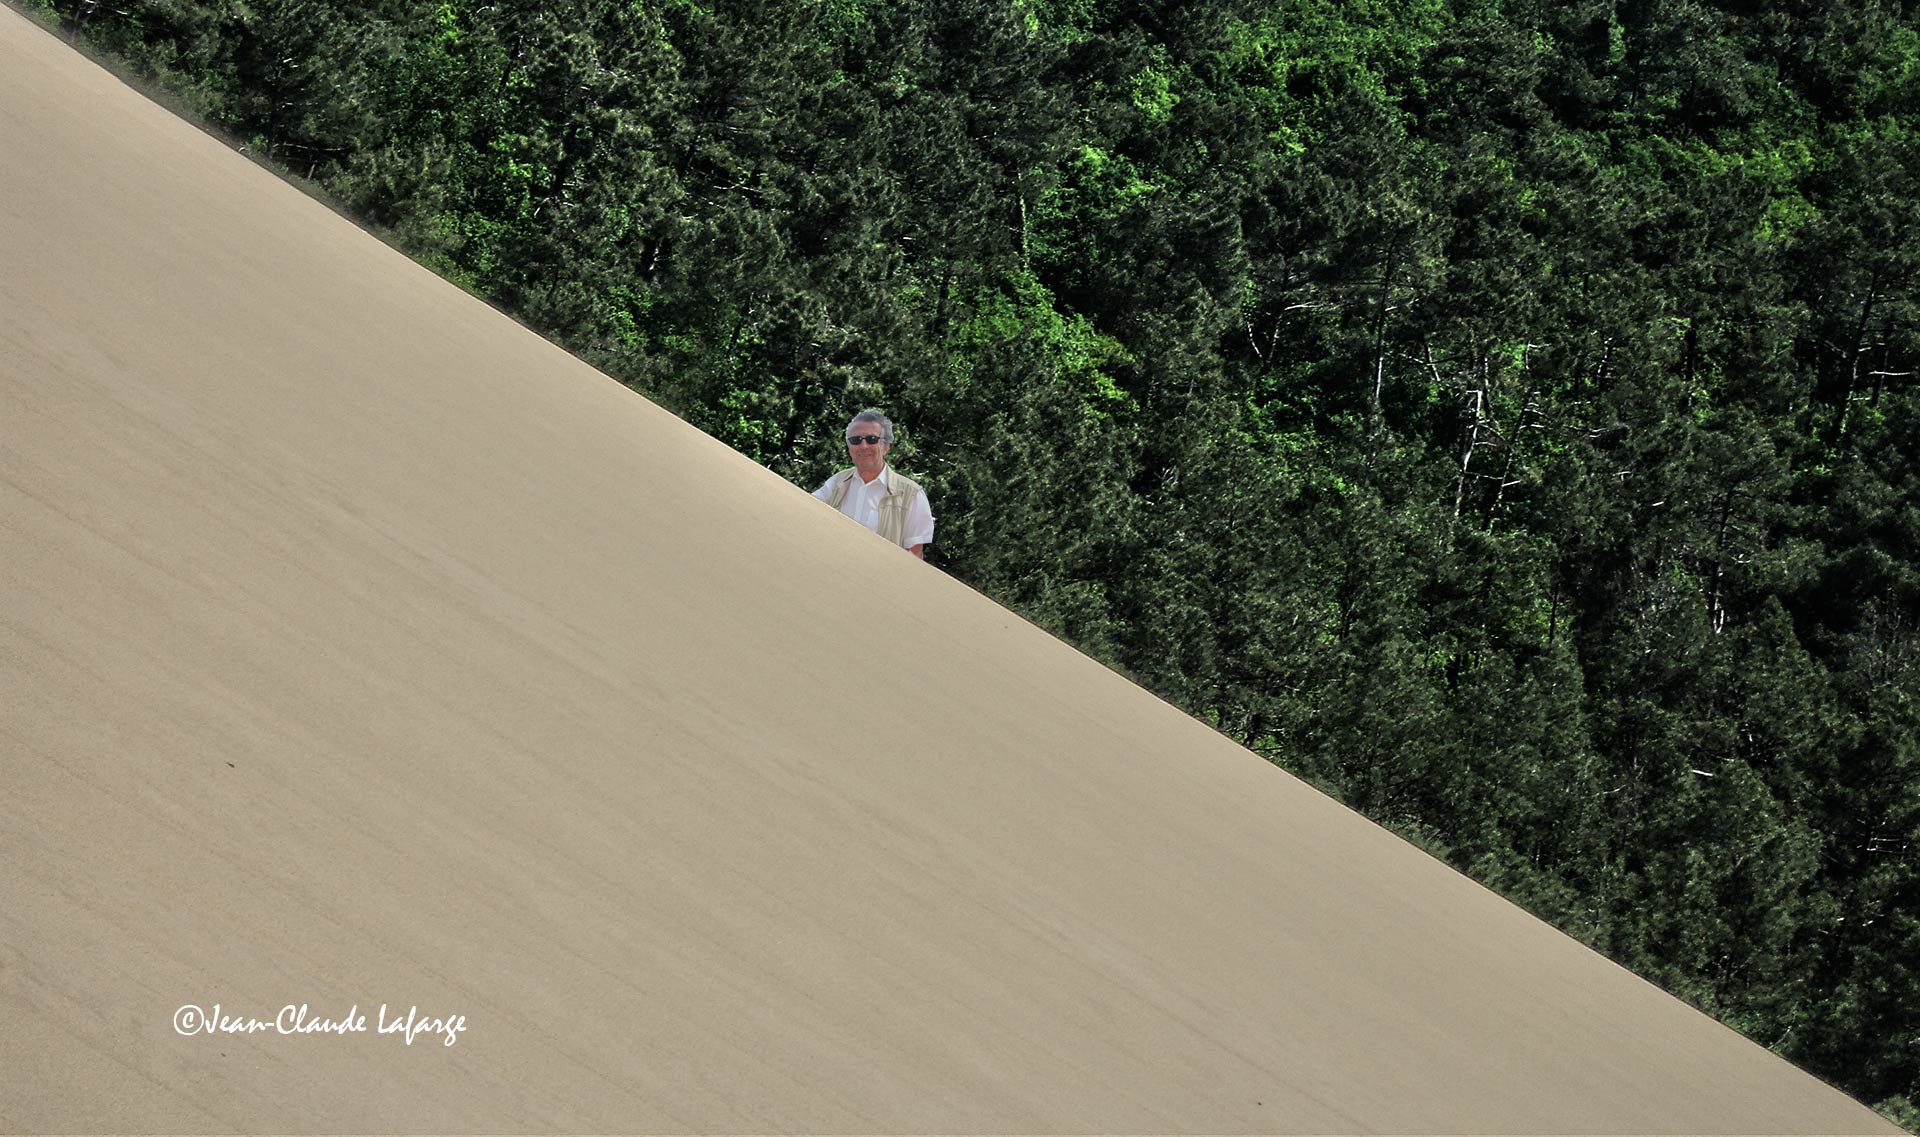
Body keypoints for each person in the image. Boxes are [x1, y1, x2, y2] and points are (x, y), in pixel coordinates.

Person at [813, 409, 934, 559]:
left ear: (885, 447)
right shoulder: (837, 483)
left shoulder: (911, 495)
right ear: (849, 447)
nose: (863, 446)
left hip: (880, 580)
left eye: (871, 439)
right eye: (856, 440)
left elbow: (915, 554)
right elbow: (808, 512)